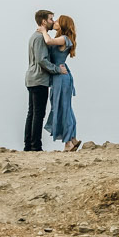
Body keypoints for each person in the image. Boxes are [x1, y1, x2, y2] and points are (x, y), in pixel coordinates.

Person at [24, 10, 66, 151]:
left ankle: (28, 145)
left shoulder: (35, 36)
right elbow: (42, 60)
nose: (53, 22)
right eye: (50, 19)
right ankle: (36, 146)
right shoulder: (40, 38)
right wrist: (57, 69)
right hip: (39, 79)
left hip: (32, 78)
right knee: (38, 114)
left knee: (32, 113)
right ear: (43, 21)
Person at [43, 14, 80, 151]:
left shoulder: (64, 39)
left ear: (63, 24)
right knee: (66, 108)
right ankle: (72, 138)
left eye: (58, 21)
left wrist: (43, 31)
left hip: (61, 77)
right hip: (60, 76)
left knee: (63, 108)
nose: (55, 22)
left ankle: (68, 142)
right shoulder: (63, 38)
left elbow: (48, 42)